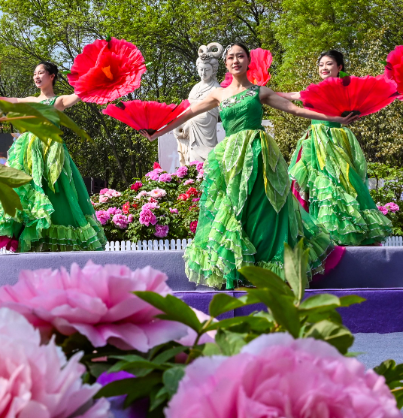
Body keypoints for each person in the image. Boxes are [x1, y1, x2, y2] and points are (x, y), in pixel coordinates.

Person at [142, 43, 355, 289]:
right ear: (226, 63)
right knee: (233, 209)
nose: (236, 61)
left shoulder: (259, 91)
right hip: (230, 159)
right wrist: (157, 132)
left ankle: (269, 270)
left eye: (240, 56)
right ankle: (240, 270)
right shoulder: (218, 94)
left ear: (248, 61)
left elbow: (295, 110)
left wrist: (335, 118)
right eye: (231, 57)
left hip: (259, 156)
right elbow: (186, 114)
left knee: (265, 210)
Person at [0, 61, 107, 253]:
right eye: (35, 73)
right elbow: (14, 101)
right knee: (21, 188)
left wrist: (94, 81)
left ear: (51, 76)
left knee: (55, 193)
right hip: (27, 152)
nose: (36, 76)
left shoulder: (57, 101)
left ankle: (47, 234)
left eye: (41, 73)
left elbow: (77, 96)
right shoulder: (31, 100)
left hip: (51, 153)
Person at [278, 50, 392, 246]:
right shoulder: (314, 90)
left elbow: (361, 102)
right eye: (321, 64)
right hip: (314, 143)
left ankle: (341, 232)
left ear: (339, 67)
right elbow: (292, 96)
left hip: (334, 141)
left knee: (338, 183)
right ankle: (314, 233)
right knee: (311, 185)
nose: (324, 67)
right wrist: (263, 93)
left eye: (329, 64)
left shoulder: (346, 89)